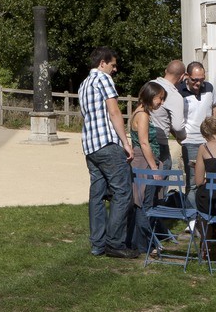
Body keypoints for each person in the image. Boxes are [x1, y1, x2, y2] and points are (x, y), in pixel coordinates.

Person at [78, 47, 135, 258]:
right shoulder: (103, 80)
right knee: (122, 193)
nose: (115, 69)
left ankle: (97, 244)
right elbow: (114, 112)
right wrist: (125, 142)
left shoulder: (84, 84)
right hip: (107, 144)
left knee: (97, 195)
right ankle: (115, 243)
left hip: (90, 146)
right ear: (102, 63)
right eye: (113, 65)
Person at [126, 81, 170, 256]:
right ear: (151, 96)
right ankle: (147, 245)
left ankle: (139, 243)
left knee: (141, 203)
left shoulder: (140, 112)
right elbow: (144, 143)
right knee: (145, 204)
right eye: (160, 98)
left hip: (143, 162)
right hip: (144, 163)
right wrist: (154, 168)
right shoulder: (142, 115)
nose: (161, 102)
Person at [177, 61, 216, 189]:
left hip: (209, 141)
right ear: (187, 76)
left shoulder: (209, 88)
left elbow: (215, 106)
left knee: (212, 179)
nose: (198, 83)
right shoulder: (179, 91)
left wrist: (213, 126)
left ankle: (208, 208)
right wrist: (178, 135)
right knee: (193, 180)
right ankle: (192, 209)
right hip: (190, 142)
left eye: (202, 79)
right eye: (194, 80)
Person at [151, 59, 185, 168]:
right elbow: (178, 126)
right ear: (182, 76)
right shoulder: (174, 95)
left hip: (141, 140)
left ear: (166, 71)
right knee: (161, 181)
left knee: (143, 181)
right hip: (159, 143)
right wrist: (182, 138)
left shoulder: (149, 85)